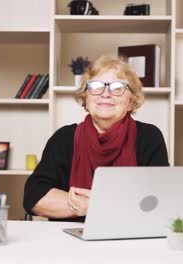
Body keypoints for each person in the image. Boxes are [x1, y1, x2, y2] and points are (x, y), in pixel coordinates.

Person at [23, 55, 169, 221]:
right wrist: (92, 206)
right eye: (96, 86)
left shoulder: (149, 137)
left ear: (131, 100)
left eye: (117, 87)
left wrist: (98, 204)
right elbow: (34, 197)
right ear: (86, 97)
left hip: (129, 240)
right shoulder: (64, 138)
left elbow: (158, 200)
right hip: (70, 242)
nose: (105, 94)